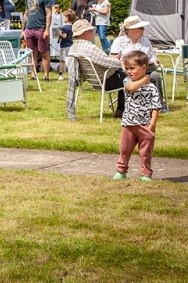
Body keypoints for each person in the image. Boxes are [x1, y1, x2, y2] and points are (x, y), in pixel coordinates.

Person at [112, 50, 163, 182]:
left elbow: (156, 107)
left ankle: (145, 174)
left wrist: (152, 124)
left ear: (144, 68)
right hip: (128, 124)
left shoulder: (152, 88)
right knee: (124, 150)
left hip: (145, 125)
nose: (129, 71)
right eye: (127, 68)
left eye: (132, 68)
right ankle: (121, 171)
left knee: (145, 152)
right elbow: (131, 88)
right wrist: (145, 78)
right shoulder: (127, 81)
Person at [65, 18, 128, 120]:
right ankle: (123, 110)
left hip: (93, 81)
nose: (93, 32)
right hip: (105, 81)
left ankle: (122, 109)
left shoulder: (73, 48)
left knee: (123, 74)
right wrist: (120, 61)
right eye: (91, 31)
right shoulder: (90, 48)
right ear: (84, 33)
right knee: (129, 76)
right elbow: (109, 62)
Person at [110, 15, 167, 113]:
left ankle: (158, 106)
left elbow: (152, 55)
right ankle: (122, 108)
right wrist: (125, 66)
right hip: (128, 71)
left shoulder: (145, 41)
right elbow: (113, 59)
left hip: (146, 70)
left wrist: (154, 60)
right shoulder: (119, 41)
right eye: (141, 28)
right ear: (132, 29)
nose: (144, 30)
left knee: (155, 76)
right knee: (126, 78)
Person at [22, 0, 54, 81]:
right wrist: (23, 29)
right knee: (31, 53)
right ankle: (33, 75)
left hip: (40, 29)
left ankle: (46, 76)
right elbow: (26, 14)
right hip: (29, 29)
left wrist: (47, 30)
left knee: (44, 52)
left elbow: (49, 13)